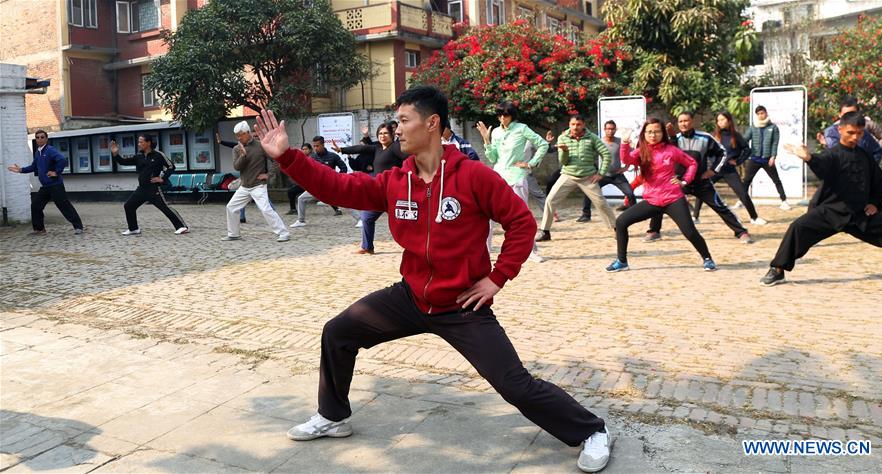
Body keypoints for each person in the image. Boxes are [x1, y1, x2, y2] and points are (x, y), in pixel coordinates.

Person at [257, 85, 611, 473]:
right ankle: (332, 416)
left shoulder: (474, 176)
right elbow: (339, 187)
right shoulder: (396, 181)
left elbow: (521, 224)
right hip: (411, 298)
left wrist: (497, 278)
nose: (396, 129)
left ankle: (592, 430)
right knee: (339, 331)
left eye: (403, 120)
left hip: (462, 305)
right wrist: (287, 157)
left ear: (432, 124)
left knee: (515, 384)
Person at [760, 112, 882, 286]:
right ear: (840, 130)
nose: (855, 137)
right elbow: (822, 164)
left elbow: (878, 182)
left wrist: (875, 203)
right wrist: (809, 158)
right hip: (833, 211)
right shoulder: (833, 154)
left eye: (859, 133)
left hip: (861, 213)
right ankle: (778, 269)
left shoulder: (865, 157)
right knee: (798, 227)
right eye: (850, 132)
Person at [606, 119, 717, 272]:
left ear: (662, 133)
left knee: (690, 231)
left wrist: (685, 181)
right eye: (649, 132)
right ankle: (622, 261)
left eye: (657, 131)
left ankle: (707, 258)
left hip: (673, 199)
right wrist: (624, 143)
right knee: (621, 222)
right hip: (652, 200)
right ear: (644, 134)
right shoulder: (641, 151)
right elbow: (626, 159)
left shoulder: (671, 150)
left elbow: (691, 163)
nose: (653, 135)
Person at [645, 112, 752, 244]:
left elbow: (722, 153)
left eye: (686, 121)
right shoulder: (673, 139)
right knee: (660, 202)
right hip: (679, 182)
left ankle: (741, 232)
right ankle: (654, 231)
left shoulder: (705, 138)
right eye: (680, 121)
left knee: (720, 206)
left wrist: (713, 170)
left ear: (693, 121)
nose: (683, 124)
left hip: (701, 182)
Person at [477, 102, 549, 262]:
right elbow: (493, 158)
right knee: (488, 216)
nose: (503, 118)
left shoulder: (522, 129)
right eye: (500, 115)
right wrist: (486, 140)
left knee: (522, 216)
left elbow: (543, 144)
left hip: (517, 177)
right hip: (498, 177)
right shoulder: (496, 132)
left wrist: (530, 163)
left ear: (512, 115)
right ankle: (484, 253)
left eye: (506, 115)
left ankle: (530, 252)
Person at [536, 114, 616, 241]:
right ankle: (545, 231)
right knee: (550, 200)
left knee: (601, 202)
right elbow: (563, 162)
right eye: (573, 124)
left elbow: (606, 154)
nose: (575, 127)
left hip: (588, 176)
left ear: (583, 125)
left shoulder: (592, 137)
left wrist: (601, 173)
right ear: (569, 125)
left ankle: (616, 228)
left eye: (578, 125)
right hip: (568, 175)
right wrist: (565, 151)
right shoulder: (563, 138)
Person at [332, 123, 407, 254]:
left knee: (402, 221)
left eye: (386, 133)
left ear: (392, 135)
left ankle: (415, 245)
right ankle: (367, 246)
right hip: (379, 192)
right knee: (366, 217)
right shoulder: (377, 148)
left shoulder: (395, 147)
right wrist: (342, 150)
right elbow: (361, 148)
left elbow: (409, 159)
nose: (383, 136)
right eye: (380, 134)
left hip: (394, 192)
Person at [221, 121, 290, 242]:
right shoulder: (237, 149)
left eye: (241, 135)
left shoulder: (260, 146)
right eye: (237, 135)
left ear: (247, 133)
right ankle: (233, 234)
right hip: (244, 186)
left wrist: (268, 175)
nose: (238, 138)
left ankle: (283, 233)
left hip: (258, 185)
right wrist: (243, 156)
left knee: (265, 209)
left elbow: (276, 160)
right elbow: (237, 167)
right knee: (231, 207)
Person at [693, 111, 766, 225]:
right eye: (718, 120)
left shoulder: (735, 136)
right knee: (702, 189)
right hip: (715, 170)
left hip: (729, 171)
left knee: (742, 193)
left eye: (723, 119)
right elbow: (708, 152)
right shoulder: (715, 136)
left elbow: (747, 150)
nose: (720, 122)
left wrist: (738, 161)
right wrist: (713, 163)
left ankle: (754, 217)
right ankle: (695, 217)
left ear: (729, 120)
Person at [7, 130, 84, 235]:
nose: (40, 139)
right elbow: (33, 167)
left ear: (46, 139)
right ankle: (39, 229)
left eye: (42, 137)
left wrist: (56, 172)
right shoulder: (37, 153)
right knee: (35, 206)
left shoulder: (50, 150)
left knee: (64, 206)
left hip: (56, 185)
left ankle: (78, 227)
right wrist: (21, 170)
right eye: (37, 137)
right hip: (45, 186)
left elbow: (62, 160)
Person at [111, 135, 188, 236]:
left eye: (141, 142)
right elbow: (123, 162)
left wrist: (162, 178)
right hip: (141, 189)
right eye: (138, 142)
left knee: (165, 208)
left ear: (148, 143)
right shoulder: (139, 156)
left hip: (153, 189)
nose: (139, 144)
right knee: (129, 206)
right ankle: (133, 229)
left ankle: (182, 227)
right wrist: (115, 153)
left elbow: (171, 166)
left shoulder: (158, 155)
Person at [290, 136, 360, 227]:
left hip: (331, 186)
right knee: (301, 199)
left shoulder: (333, 156)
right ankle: (301, 221)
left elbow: (343, 168)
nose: (315, 148)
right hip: (316, 187)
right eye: (314, 146)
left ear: (323, 145)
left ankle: (360, 219)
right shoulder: (312, 157)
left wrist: (337, 180)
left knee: (344, 200)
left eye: (317, 146)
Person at [577, 120, 636, 222]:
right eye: (608, 129)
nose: (610, 131)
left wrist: (626, 167)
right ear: (604, 130)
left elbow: (630, 155)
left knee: (630, 193)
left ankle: (635, 214)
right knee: (588, 191)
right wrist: (593, 171)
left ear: (615, 130)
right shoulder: (599, 142)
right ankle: (586, 215)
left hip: (617, 175)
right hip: (602, 175)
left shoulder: (620, 141)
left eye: (612, 129)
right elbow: (589, 156)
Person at [744, 105, 791, 211]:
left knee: (776, 180)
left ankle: (784, 201)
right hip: (754, 159)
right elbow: (745, 139)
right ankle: (741, 200)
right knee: (746, 180)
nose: (761, 115)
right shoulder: (753, 127)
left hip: (767, 159)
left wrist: (773, 156)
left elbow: (775, 143)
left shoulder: (773, 128)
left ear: (766, 113)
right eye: (758, 114)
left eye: (762, 113)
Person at [816, 96, 882, 163]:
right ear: (840, 114)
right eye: (845, 114)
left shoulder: (863, 130)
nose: (849, 118)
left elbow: (877, 151)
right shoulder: (831, 132)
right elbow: (839, 154)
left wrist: (870, 167)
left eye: (852, 114)